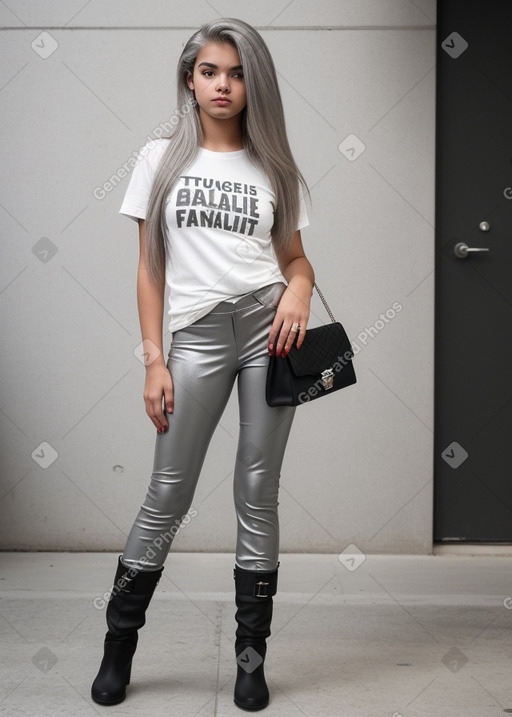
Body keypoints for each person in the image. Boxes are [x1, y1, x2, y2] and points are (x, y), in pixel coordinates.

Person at [91, 17, 314, 712]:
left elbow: (295, 261)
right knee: (168, 493)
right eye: (211, 70)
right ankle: (117, 648)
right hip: (195, 336)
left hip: (268, 329)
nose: (224, 84)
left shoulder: (274, 165)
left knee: (258, 490)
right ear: (190, 79)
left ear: (255, 83)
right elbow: (149, 269)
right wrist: (155, 359)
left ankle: (252, 659)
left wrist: (301, 287)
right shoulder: (160, 159)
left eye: (238, 72)